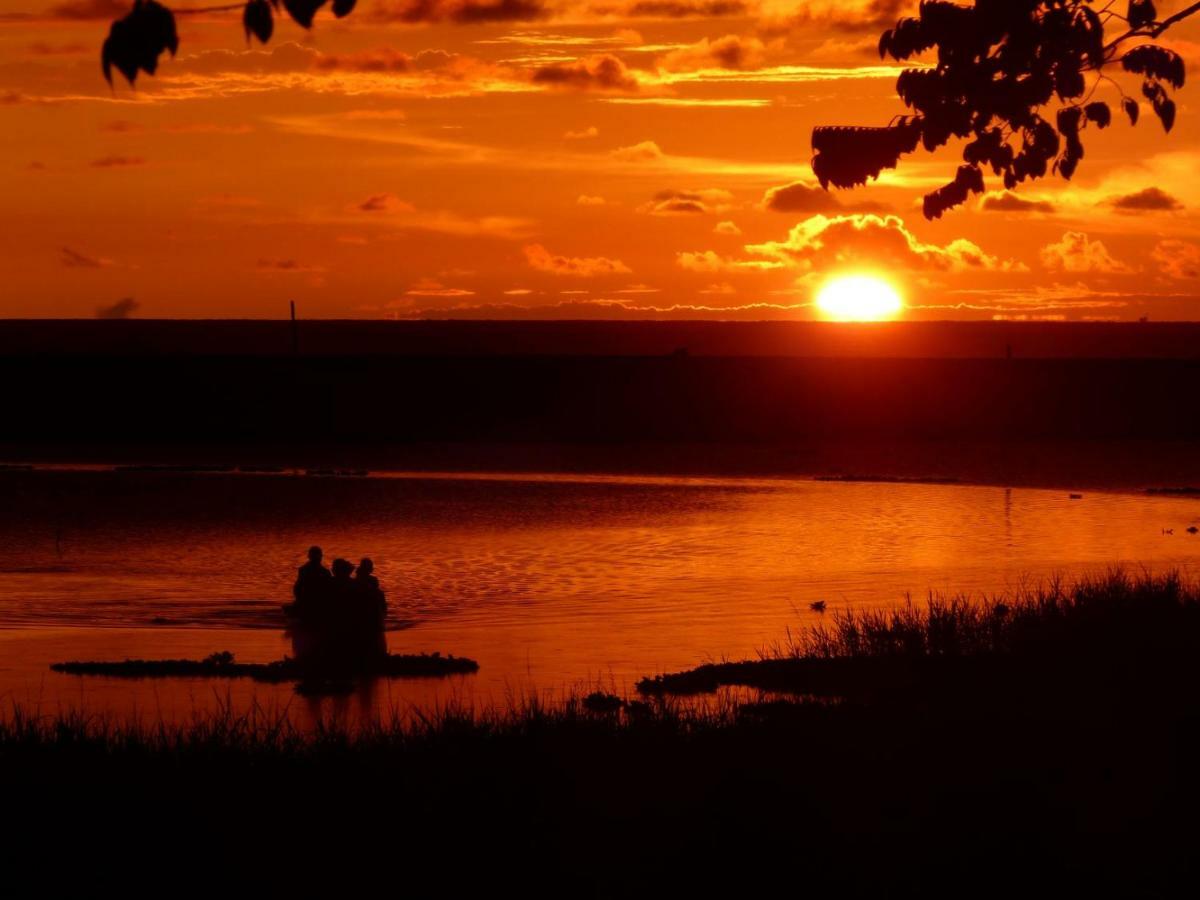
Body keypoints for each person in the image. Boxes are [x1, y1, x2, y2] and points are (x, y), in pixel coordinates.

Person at [289, 545, 331, 620]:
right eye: (316, 556)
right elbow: (297, 588)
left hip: (317, 601)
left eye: (318, 556)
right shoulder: (324, 572)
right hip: (309, 601)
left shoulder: (324, 572)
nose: (318, 558)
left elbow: (297, 588)